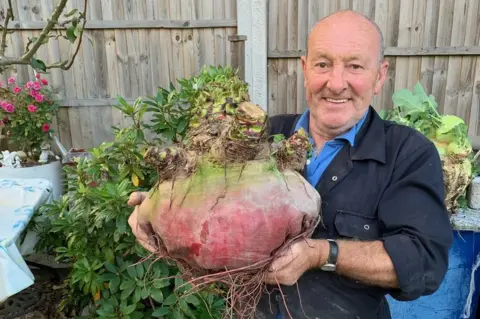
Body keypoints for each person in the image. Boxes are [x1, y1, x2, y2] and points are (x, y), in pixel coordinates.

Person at [128, 9, 453, 319]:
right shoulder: (261, 137)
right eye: (323, 64)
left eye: (355, 66)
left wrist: (323, 254)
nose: (336, 83)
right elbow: (209, 210)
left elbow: (424, 262)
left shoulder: (407, 153)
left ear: (379, 76)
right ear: (305, 68)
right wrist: (158, 212)